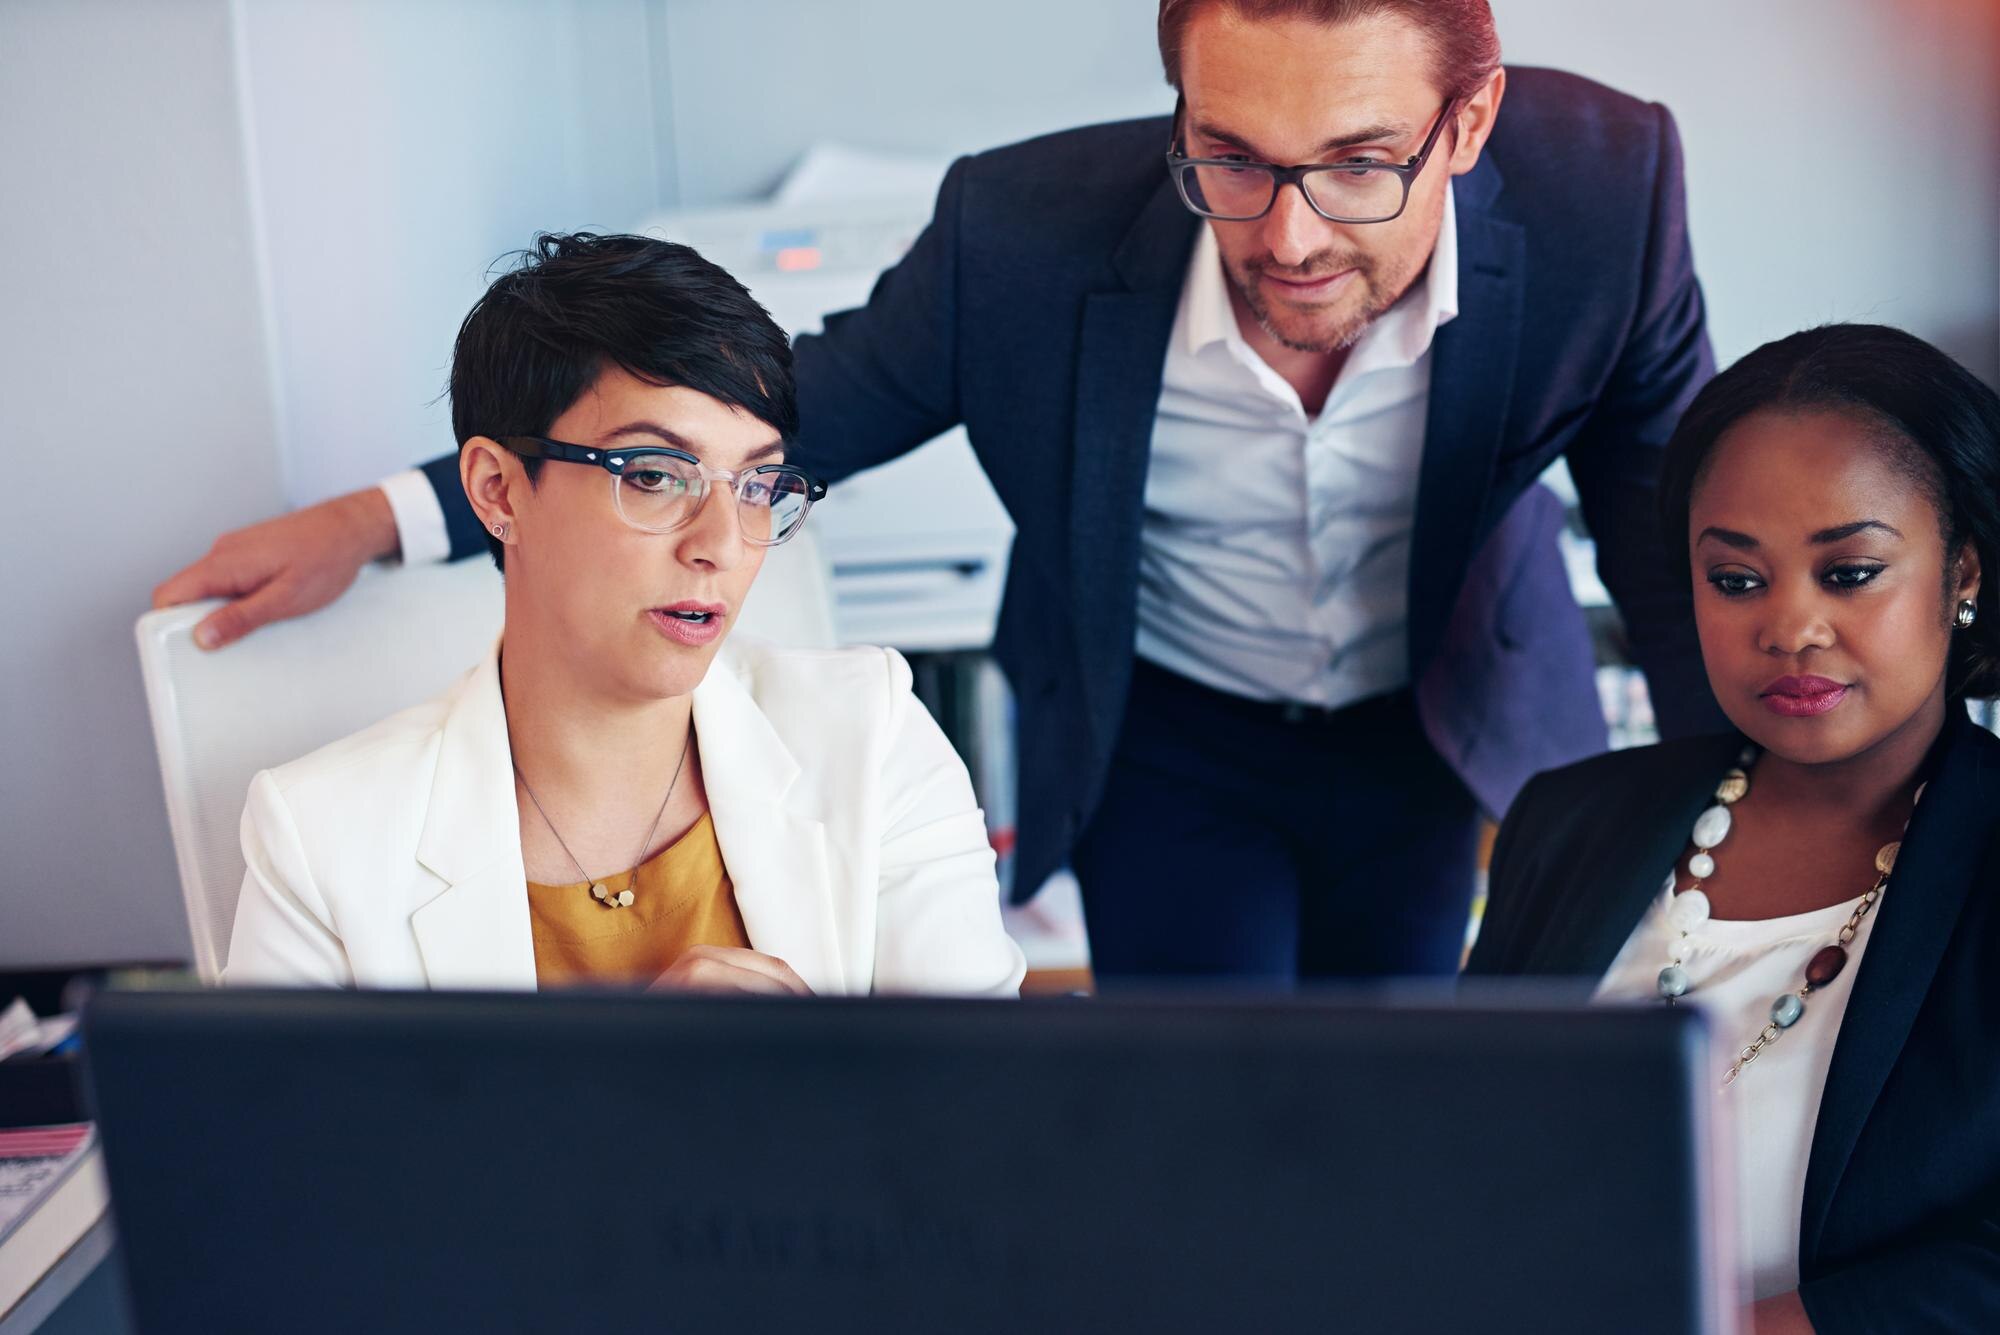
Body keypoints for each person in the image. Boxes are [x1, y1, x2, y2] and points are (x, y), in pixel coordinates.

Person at [163, 0, 1723, 985]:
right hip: (1167, 728)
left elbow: (1673, 537)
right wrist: (382, 516)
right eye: (1231, 157)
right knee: (1194, 1122)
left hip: (1439, 711)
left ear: (1468, 121)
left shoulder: (1611, 193)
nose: (1291, 234)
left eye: (1360, 163)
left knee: (1418, 1095)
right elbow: (787, 413)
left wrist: (1742, 805)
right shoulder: (1024, 231)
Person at [223, 233, 1026, 997]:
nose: (720, 544)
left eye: (756, 486)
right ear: (498, 491)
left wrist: (810, 1064)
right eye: (653, 474)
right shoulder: (320, 837)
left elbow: (996, 1107)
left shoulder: (870, 733)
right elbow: (289, 1144)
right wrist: (626, 1090)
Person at [1467, 325, 2000, 1333]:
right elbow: (1453, 1141)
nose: (1788, 627)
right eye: (1736, 579)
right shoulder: (1569, 820)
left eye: (1847, 573)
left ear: (1960, 571)